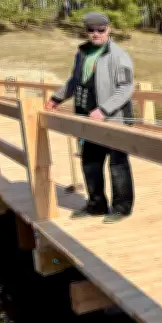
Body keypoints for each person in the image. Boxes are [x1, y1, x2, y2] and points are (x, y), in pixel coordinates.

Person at [45, 11, 136, 224]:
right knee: (90, 162)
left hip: (114, 118)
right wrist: (56, 99)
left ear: (109, 30)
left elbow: (126, 88)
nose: (96, 34)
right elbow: (75, 81)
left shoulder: (119, 55)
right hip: (87, 117)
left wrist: (104, 110)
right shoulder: (82, 54)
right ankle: (96, 205)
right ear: (86, 31)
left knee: (117, 164)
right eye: (91, 30)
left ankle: (122, 208)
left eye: (100, 30)